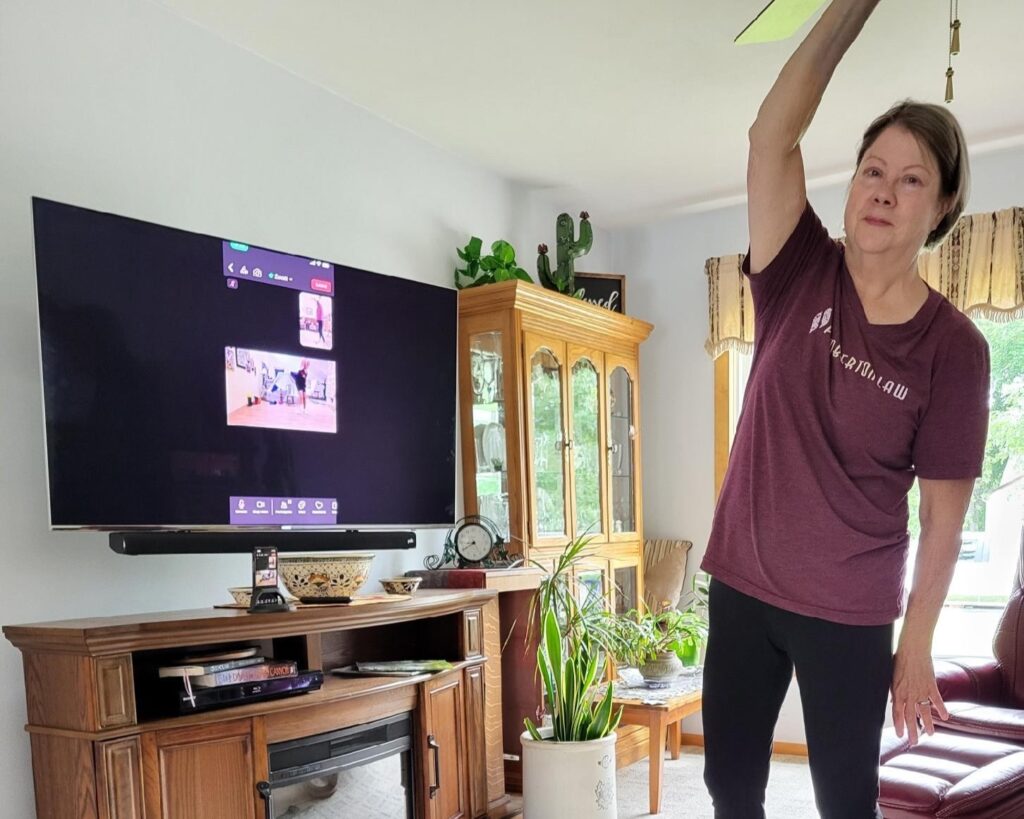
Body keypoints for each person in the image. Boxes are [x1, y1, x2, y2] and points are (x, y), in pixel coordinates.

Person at [699, 2, 991, 817]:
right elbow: (769, 138)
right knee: (729, 787)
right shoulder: (798, 270)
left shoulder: (954, 348)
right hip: (745, 587)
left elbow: (941, 519)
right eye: (873, 168)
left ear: (940, 211)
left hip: (849, 610)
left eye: (911, 180)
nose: (884, 192)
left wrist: (918, 645)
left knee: (844, 801)